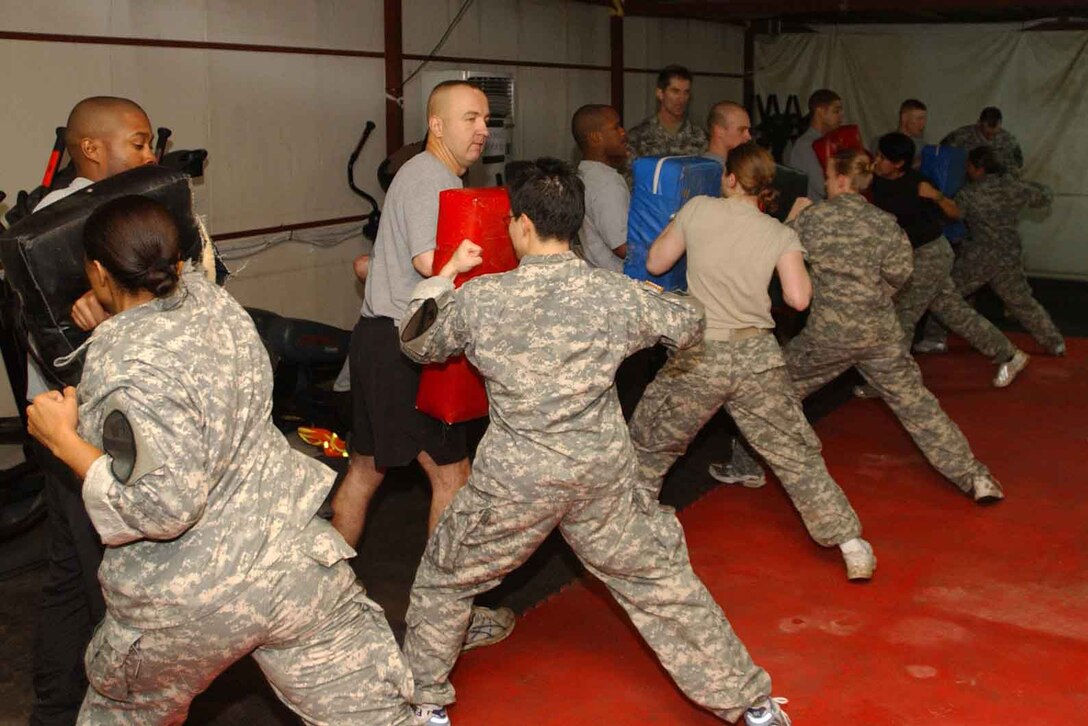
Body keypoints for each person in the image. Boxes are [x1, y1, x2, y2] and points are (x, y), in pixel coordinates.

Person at [398, 158, 791, 726]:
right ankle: (751, 705)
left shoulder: (482, 298)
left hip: (516, 482)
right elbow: (688, 324)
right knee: (659, 584)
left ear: (524, 225)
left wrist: (439, 278)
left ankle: (423, 707)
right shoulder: (615, 294)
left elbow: (417, 344)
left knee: (444, 579)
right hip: (599, 477)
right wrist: (654, 297)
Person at [25, 195, 419, 724]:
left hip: (188, 599)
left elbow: (164, 509)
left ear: (97, 273)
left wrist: (64, 439)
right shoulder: (217, 305)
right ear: (178, 262)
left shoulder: (121, 364)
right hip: (292, 566)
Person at [628, 142, 876, 582]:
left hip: (699, 354)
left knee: (649, 444)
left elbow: (655, 261)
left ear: (728, 178)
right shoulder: (779, 233)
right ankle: (850, 544)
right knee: (795, 455)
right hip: (757, 358)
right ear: (766, 188)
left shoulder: (699, 209)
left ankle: (630, 538)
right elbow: (799, 300)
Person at [330, 80, 514, 650]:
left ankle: (322, 598)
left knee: (366, 470)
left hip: (383, 342)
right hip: (406, 348)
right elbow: (429, 261)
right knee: (452, 477)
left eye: (486, 118)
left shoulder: (434, 177)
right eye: (470, 118)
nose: (483, 129)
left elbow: (390, 263)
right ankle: (444, 620)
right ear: (437, 125)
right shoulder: (430, 177)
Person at [25, 96, 155, 726]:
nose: (149, 154)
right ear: (92, 150)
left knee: (69, 574)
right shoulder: (60, 226)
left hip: (81, 426)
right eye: (138, 142)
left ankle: (55, 707)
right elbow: (60, 338)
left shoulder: (114, 213)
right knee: (110, 579)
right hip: (81, 429)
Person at [784, 148, 1005, 503]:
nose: (824, 183)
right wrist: (874, 295)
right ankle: (975, 477)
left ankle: (747, 462)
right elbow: (902, 272)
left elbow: (777, 257)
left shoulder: (812, 219)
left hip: (829, 336)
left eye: (827, 177)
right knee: (918, 405)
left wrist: (788, 221)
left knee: (770, 390)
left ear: (841, 179)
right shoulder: (884, 221)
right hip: (880, 333)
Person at [870, 132, 1029, 388]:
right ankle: (1010, 354)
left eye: (882, 157)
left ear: (898, 163)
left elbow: (956, 213)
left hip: (930, 254)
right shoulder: (877, 180)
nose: (876, 161)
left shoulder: (918, 184)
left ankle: (891, 383)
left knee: (903, 316)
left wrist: (937, 196)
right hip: (912, 255)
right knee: (955, 312)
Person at [700, 100, 767, 488]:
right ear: (718, 132)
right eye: (741, 131)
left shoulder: (742, 172)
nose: (748, 137)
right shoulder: (703, 174)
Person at [951, 146, 1064, 355]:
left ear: (979, 168)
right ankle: (1054, 342)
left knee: (946, 294)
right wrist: (1023, 183)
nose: (967, 170)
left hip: (980, 256)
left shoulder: (969, 193)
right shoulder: (1013, 187)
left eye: (969, 166)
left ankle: (934, 339)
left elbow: (955, 214)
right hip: (1008, 255)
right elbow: (1044, 196)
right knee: (1022, 302)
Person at [572, 104, 628, 272]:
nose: (623, 132)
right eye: (616, 127)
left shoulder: (584, 173)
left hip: (597, 273)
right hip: (617, 280)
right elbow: (622, 247)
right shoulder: (607, 183)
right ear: (595, 138)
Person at [626, 65, 709, 161]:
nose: (681, 98)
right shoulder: (638, 137)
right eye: (675, 91)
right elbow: (629, 173)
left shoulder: (700, 137)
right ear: (660, 93)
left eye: (686, 92)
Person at [787, 89, 843, 200]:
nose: (841, 117)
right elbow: (823, 187)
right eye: (836, 111)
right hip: (814, 212)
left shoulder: (831, 141)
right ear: (820, 112)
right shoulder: (806, 145)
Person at [941, 106, 1024, 177]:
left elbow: (1017, 164)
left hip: (998, 187)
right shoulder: (961, 136)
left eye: (994, 133)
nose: (990, 137)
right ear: (979, 123)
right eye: (987, 133)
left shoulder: (1008, 140)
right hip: (967, 186)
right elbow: (942, 157)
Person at [871, 99, 928, 168]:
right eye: (919, 119)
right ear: (904, 118)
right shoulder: (879, 142)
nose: (923, 124)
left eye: (924, 119)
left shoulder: (924, 147)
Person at [703, 101, 753, 165]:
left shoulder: (736, 165)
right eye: (741, 130)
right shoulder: (706, 169)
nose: (748, 137)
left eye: (748, 130)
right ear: (719, 130)